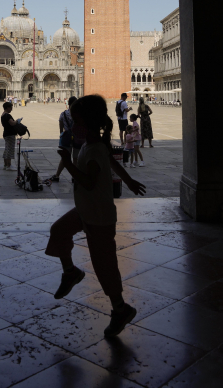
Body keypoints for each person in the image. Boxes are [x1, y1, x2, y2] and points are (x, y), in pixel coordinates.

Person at [44, 95, 146, 337]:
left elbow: (89, 182)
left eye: (75, 118)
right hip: (86, 209)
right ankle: (71, 272)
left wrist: (66, 163)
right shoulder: (94, 143)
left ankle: (120, 309)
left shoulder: (94, 147)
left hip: (98, 216)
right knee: (59, 230)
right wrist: (129, 180)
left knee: (104, 266)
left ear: (87, 121)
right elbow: (111, 161)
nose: (72, 123)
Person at [49, 96, 79, 183]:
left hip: (67, 137)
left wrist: (62, 134)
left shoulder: (63, 114)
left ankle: (57, 175)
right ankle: (74, 176)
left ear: (68, 104)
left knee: (65, 158)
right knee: (75, 158)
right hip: (77, 138)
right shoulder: (79, 114)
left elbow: (61, 127)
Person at [1, 101, 18, 169]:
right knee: (10, 150)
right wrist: (17, 121)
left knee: (7, 149)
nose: (11, 109)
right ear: (7, 108)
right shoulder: (7, 115)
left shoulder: (3, 114)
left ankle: (5, 164)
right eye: (11, 108)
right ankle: (9, 165)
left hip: (6, 133)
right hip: (10, 134)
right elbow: (12, 123)